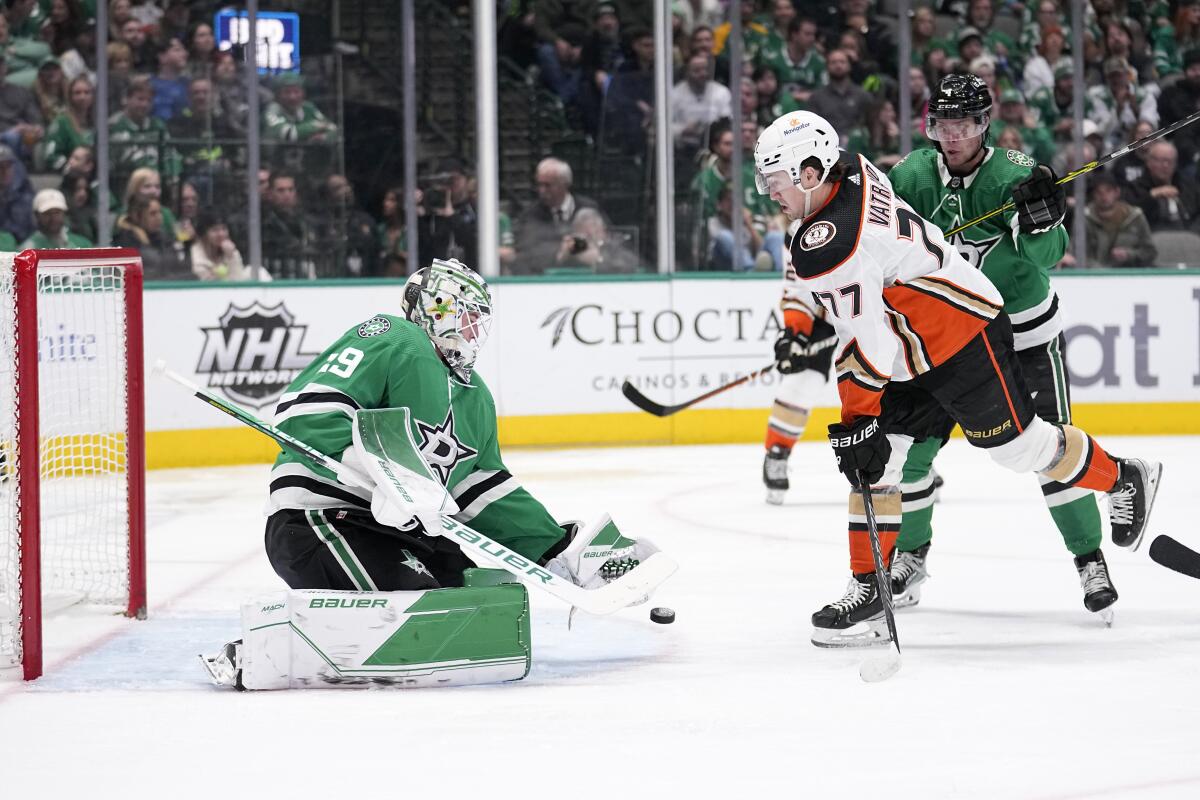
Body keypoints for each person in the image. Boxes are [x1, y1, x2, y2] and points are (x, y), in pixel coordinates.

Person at [754, 108, 1163, 646]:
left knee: (1020, 449)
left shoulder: (829, 244)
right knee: (879, 465)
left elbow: (865, 341)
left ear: (810, 173)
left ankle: (1123, 475)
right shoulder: (851, 170)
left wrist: (856, 417)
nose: (768, 193)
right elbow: (870, 309)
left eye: (774, 180)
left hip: (962, 331)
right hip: (912, 345)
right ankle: (869, 584)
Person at [202, 257, 660, 689]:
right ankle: (264, 648)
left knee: (471, 606)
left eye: (480, 318)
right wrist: (371, 469)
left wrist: (556, 550)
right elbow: (304, 412)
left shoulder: (474, 395)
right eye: (466, 314)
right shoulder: (391, 337)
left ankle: (322, 638)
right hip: (320, 521)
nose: (475, 328)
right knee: (418, 610)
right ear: (436, 309)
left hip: (400, 533)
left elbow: (483, 491)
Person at [884, 73, 1128, 618]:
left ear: (984, 125)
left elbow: (1046, 256)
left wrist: (1043, 221)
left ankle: (1090, 559)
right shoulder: (912, 175)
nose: (951, 135)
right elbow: (888, 245)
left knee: (1051, 451)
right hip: (949, 341)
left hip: (1023, 336)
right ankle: (910, 556)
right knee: (913, 456)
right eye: (943, 124)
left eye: (963, 124)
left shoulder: (1015, 175)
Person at [514, 156, 602, 274]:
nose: (542, 190)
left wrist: (597, 255)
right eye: (539, 185)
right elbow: (525, 251)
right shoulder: (530, 214)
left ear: (565, 184)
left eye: (548, 185)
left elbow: (607, 241)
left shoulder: (589, 208)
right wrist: (559, 252)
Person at [1079, 172, 1156, 268]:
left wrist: (1129, 254)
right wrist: (1098, 270)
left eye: (1108, 191)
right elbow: (1078, 254)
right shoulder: (1084, 219)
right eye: (1099, 192)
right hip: (1094, 277)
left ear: (1117, 192)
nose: (1104, 196)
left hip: (1130, 275)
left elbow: (1150, 252)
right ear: (1093, 195)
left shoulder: (1135, 217)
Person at [1125, 140, 1200, 231]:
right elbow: (1130, 217)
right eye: (1161, 160)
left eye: (1170, 161)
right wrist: (1152, 195)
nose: (1165, 165)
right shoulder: (1134, 188)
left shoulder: (1187, 185)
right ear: (1148, 162)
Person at [113, 193, 189, 280]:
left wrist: (188, 244)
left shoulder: (164, 238)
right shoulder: (126, 241)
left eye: (159, 212)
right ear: (136, 216)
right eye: (153, 214)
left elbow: (180, 268)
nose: (159, 217)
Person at [670, 52, 731, 158]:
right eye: (696, 70)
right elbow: (664, 126)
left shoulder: (721, 92)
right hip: (682, 151)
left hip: (714, 150)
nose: (702, 74)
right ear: (687, 72)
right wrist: (682, 130)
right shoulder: (674, 94)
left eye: (705, 69)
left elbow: (727, 121)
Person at [42, 73, 92, 173]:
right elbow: (51, 156)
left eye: (87, 92)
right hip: (70, 177)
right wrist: (71, 167)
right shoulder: (61, 123)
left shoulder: (100, 123)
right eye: (77, 93)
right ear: (70, 96)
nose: (82, 97)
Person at [190, 209, 252, 281]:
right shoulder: (195, 254)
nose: (221, 234)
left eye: (224, 229)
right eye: (215, 230)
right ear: (204, 234)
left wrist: (231, 258)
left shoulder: (231, 252)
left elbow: (239, 283)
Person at [21, 187, 90, 248]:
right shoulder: (28, 250)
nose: (53, 218)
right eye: (47, 213)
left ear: (64, 213)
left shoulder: (82, 244)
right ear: (37, 215)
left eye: (57, 212)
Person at [0, 144, 33, 242]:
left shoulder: (24, 193)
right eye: (0, 167)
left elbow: (29, 229)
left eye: (8, 166)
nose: (5, 171)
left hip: (21, 248)